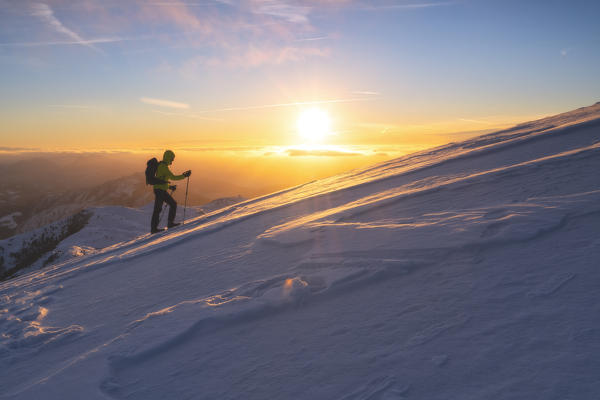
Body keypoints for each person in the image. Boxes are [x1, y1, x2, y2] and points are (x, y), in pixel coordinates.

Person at [150, 150, 191, 233]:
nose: (172, 160)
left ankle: (167, 224)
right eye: (172, 159)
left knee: (171, 204)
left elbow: (162, 180)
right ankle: (155, 228)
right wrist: (184, 176)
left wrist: (169, 187)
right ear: (168, 158)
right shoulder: (163, 167)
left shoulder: (162, 165)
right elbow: (173, 177)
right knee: (158, 209)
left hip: (160, 190)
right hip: (160, 191)